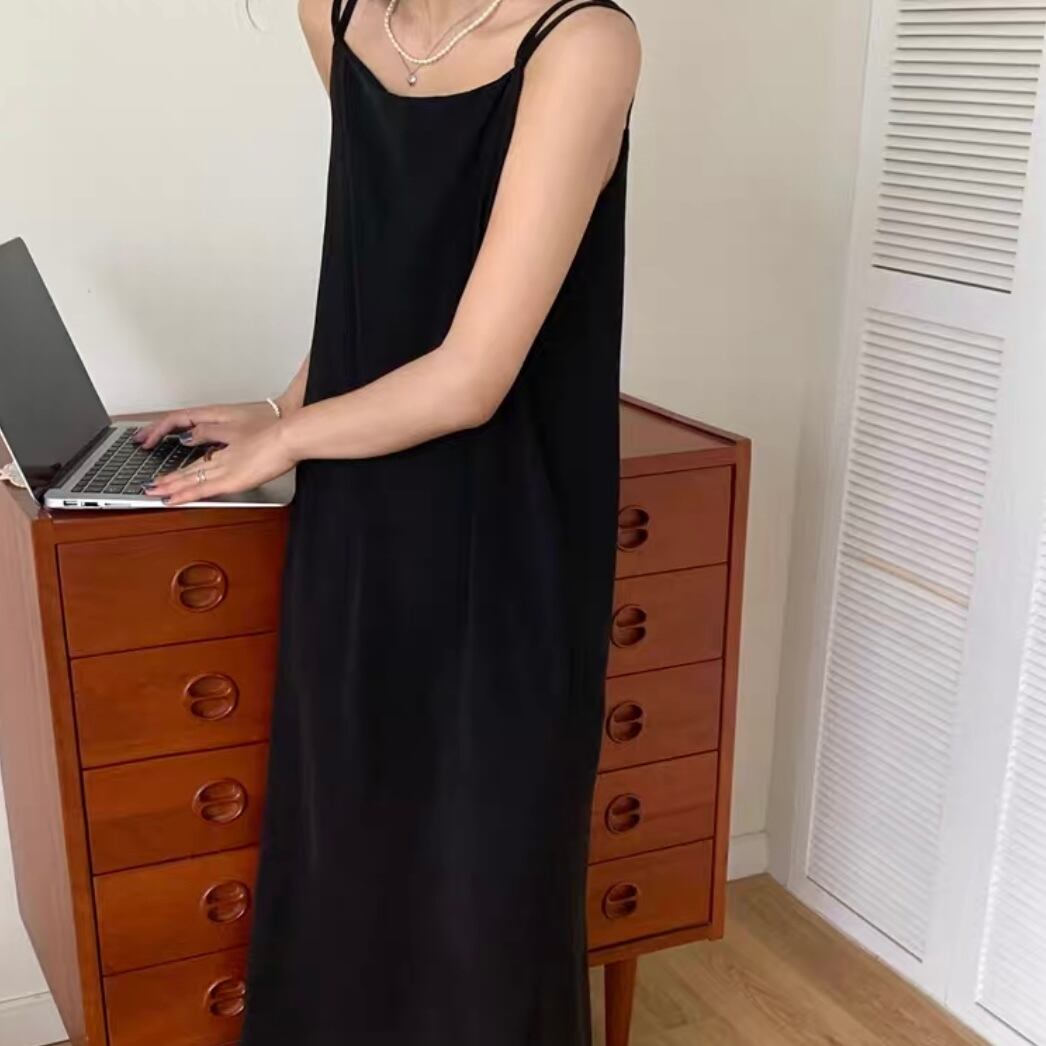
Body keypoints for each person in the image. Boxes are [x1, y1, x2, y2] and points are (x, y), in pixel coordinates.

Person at [138, 0, 640, 1041]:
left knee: (486, 885)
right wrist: (280, 408)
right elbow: (386, 263)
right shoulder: (335, 17)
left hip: (510, 534)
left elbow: (471, 375)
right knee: (348, 853)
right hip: (361, 515)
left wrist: (288, 439)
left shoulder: (581, 44)